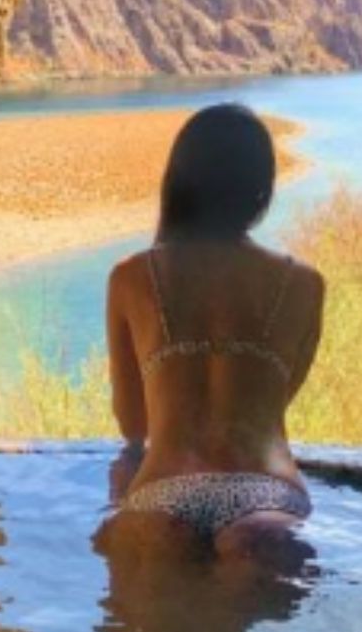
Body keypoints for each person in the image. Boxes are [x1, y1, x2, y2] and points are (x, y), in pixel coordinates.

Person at [97, 103, 325, 560]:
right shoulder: (303, 284)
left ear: (177, 183)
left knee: (149, 629)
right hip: (268, 495)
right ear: (262, 188)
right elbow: (273, 403)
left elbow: (133, 424)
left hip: (164, 491)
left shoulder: (131, 277)